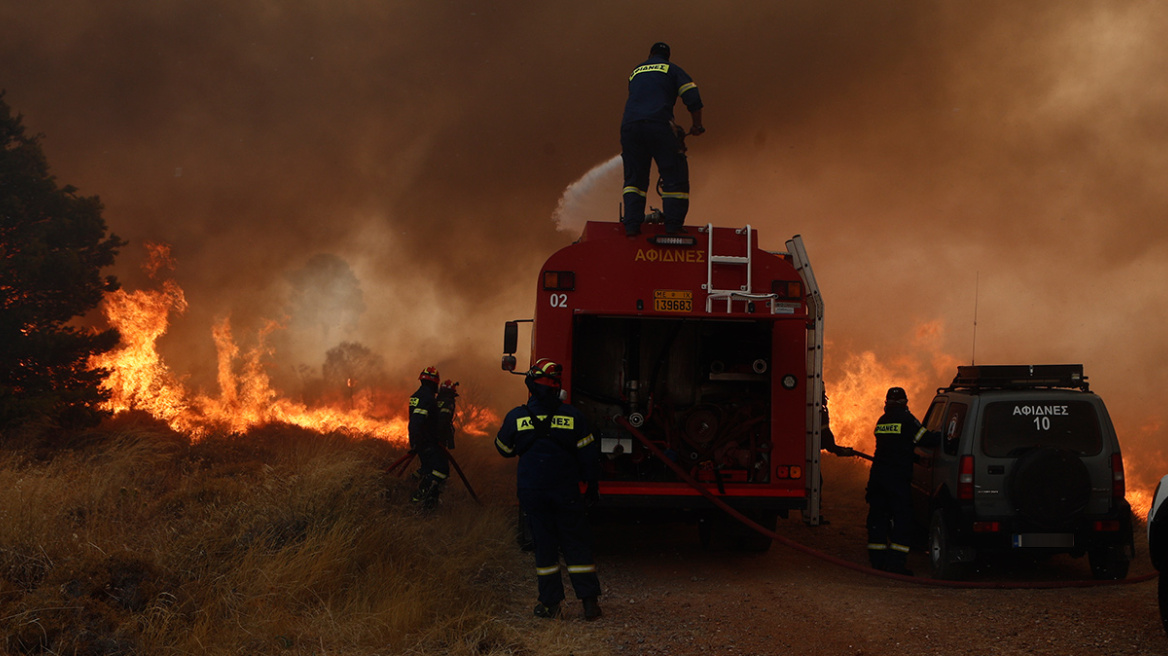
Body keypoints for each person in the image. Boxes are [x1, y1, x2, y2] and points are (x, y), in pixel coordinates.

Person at [495, 359, 603, 621]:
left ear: (531, 386)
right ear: (557, 388)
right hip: (566, 491)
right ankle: (589, 604)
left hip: (533, 492)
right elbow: (589, 457)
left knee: (544, 546)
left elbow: (504, 449)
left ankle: (550, 605)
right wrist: (591, 487)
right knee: (576, 544)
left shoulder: (516, 416)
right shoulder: (573, 416)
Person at [620, 41, 704, 236]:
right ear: (667, 57)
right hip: (658, 124)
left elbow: (643, 97)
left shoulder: (635, 72)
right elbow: (692, 96)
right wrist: (697, 126)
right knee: (674, 174)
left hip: (630, 127)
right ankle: (673, 226)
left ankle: (631, 226)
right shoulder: (672, 69)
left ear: (650, 54)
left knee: (634, 180)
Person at [865, 387, 939, 575]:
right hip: (896, 479)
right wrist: (946, 436)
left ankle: (877, 561)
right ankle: (896, 564)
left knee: (878, 518)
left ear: (887, 403)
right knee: (902, 520)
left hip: (878, 477)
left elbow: (893, 447)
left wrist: (913, 457)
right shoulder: (907, 419)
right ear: (904, 402)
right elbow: (926, 439)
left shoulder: (882, 420)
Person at [409, 366, 448, 508]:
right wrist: (418, 442)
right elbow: (417, 422)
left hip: (421, 441)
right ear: (433, 383)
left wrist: (414, 442)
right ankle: (419, 496)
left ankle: (428, 502)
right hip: (427, 442)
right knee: (441, 470)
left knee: (427, 468)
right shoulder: (427, 398)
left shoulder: (416, 396)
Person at [436, 379, 459, 450]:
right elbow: (444, 421)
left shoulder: (436, 400)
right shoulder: (448, 402)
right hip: (440, 438)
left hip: (430, 435)